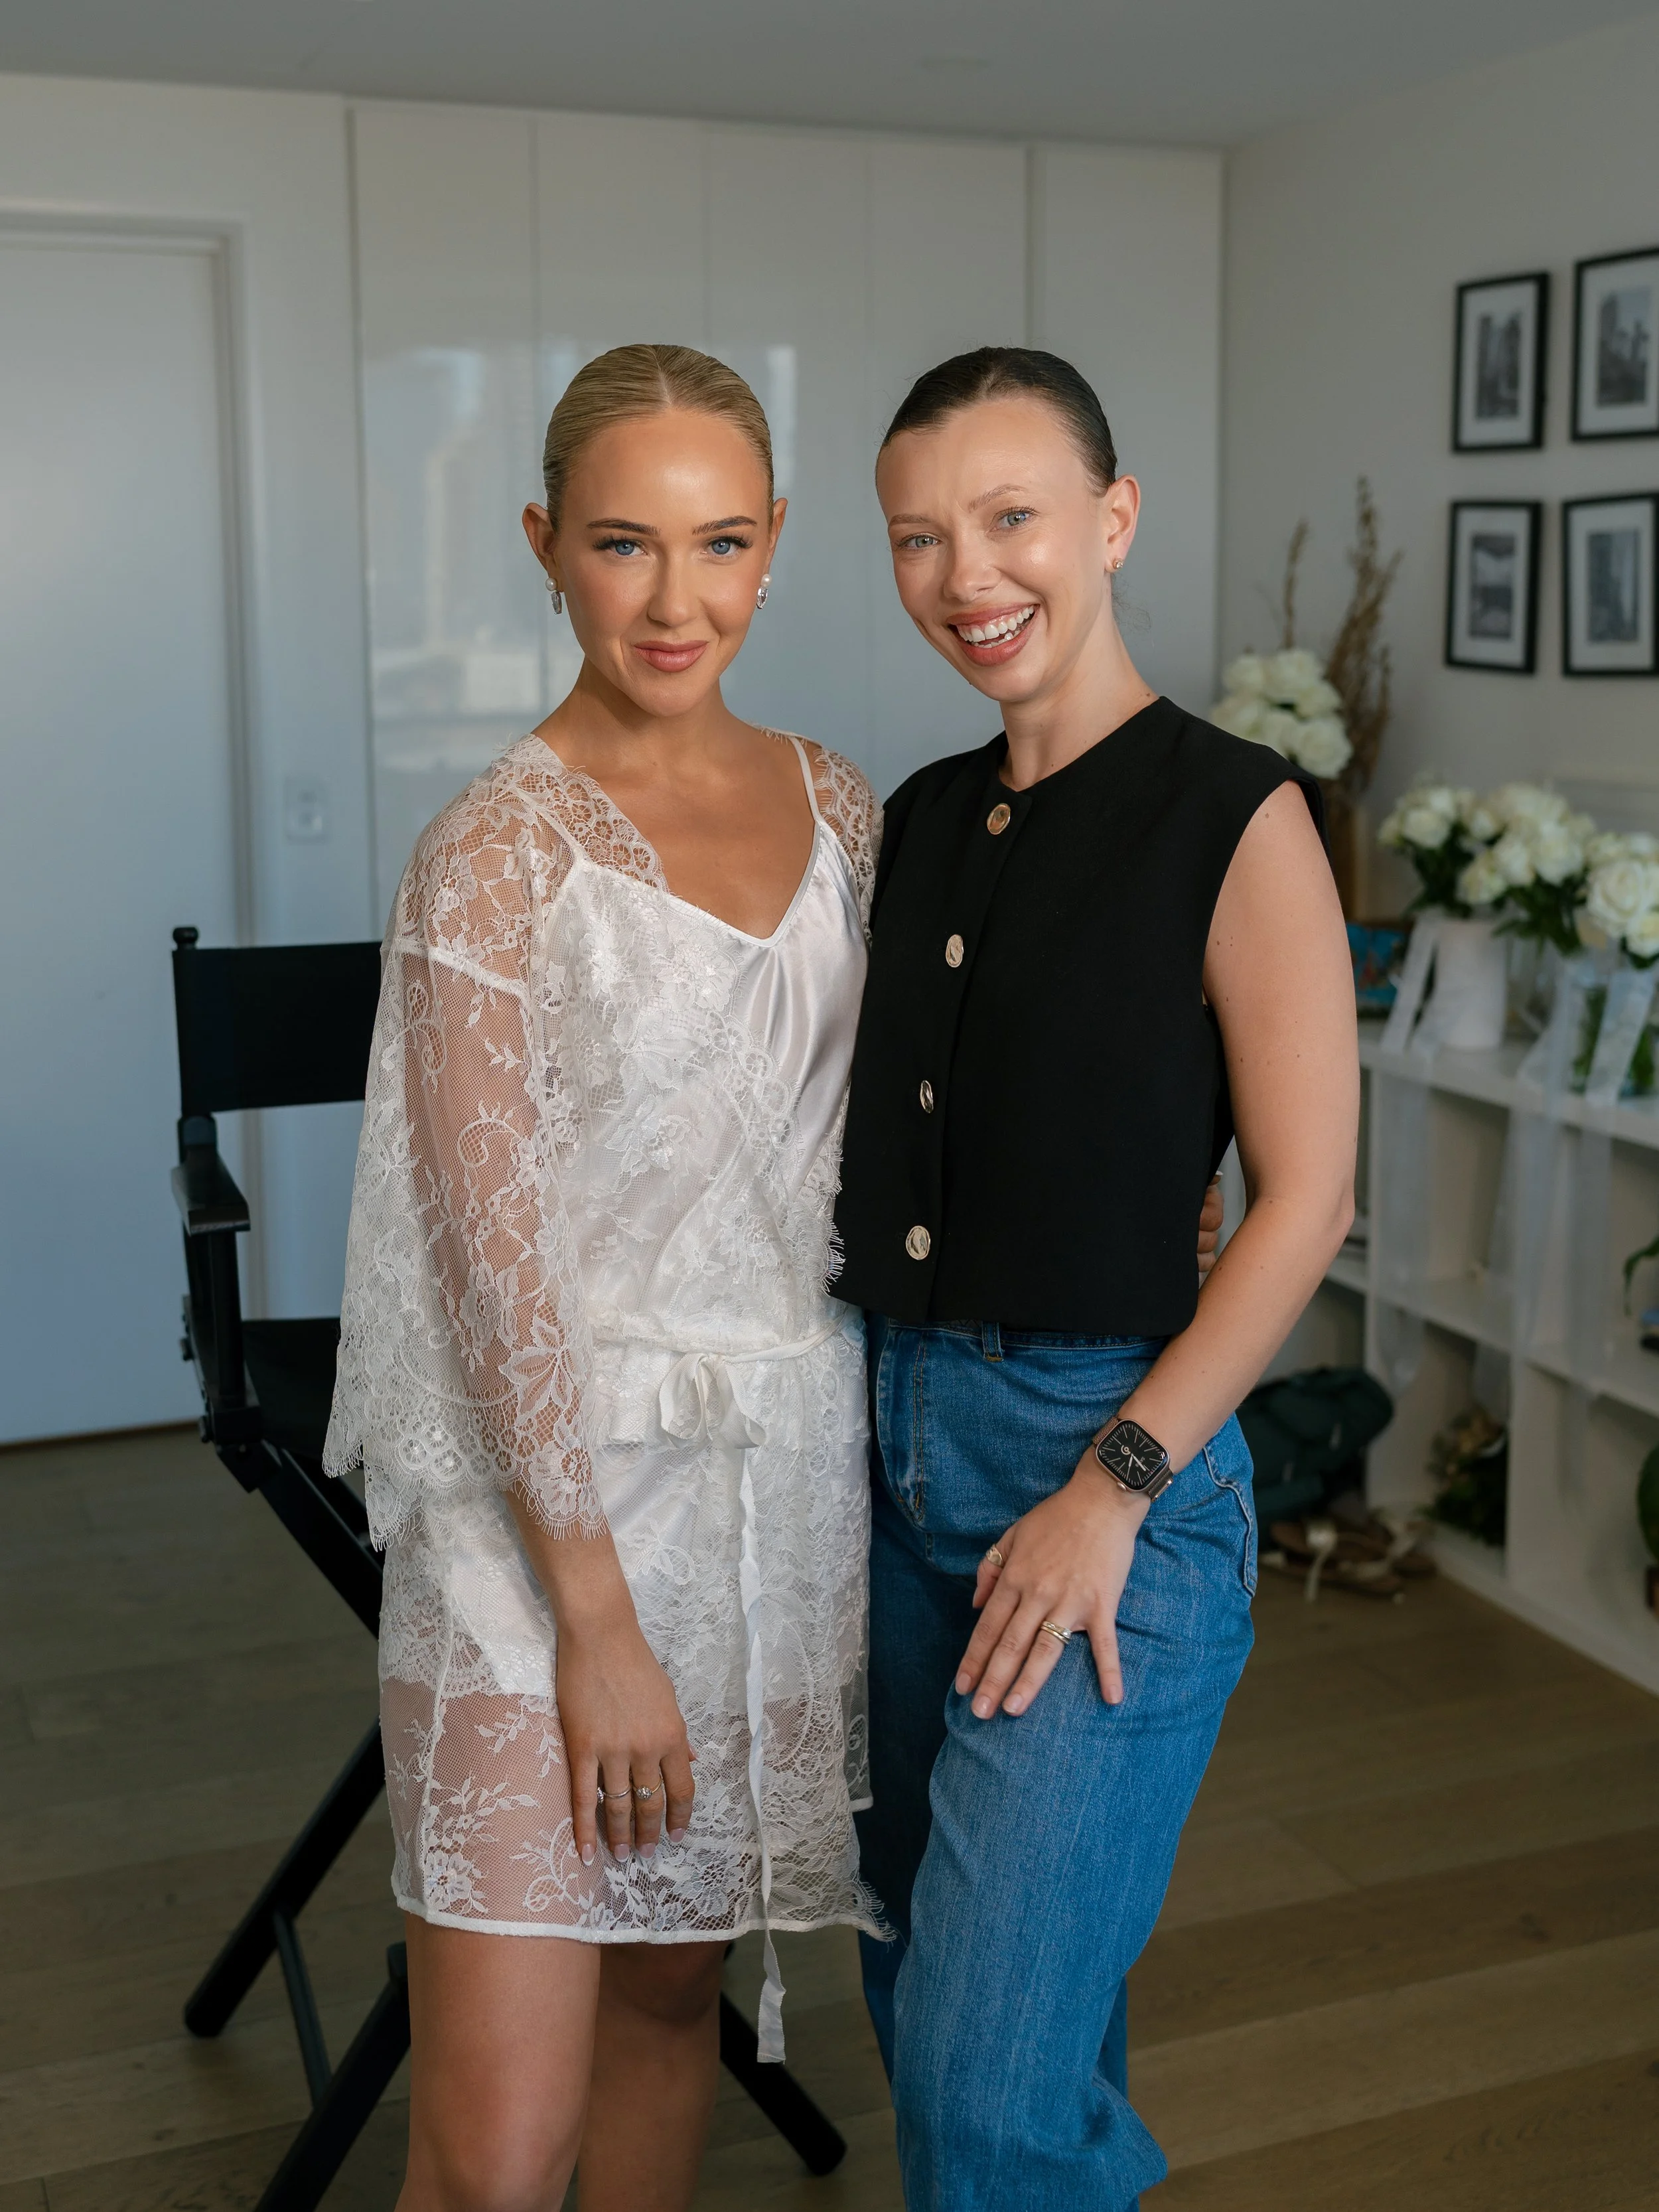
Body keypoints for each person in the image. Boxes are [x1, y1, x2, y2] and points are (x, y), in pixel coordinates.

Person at [325, 344, 883, 2212]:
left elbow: (888, 1136)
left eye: (720, 544)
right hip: (545, 1516)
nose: (676, 598)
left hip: (770, 1488)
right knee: (493, 2152)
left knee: (665, 2024)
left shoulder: (845, 803)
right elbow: (483, 1271)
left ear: (776, 543)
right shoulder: (489, 852)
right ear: (543, 543)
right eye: (624, 545)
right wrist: (596, 1618)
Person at [833, 347, 1358, 2210]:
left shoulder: (1236, 814)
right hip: (883, 1456)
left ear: (1111, 520)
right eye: (918, 534)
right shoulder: (907, 816)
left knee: (980, 2085)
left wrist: (1111, 1485)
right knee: (946, 2002)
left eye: (1010, 515)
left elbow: (1302, 1199)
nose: (966, 572)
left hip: (1097, 1468)